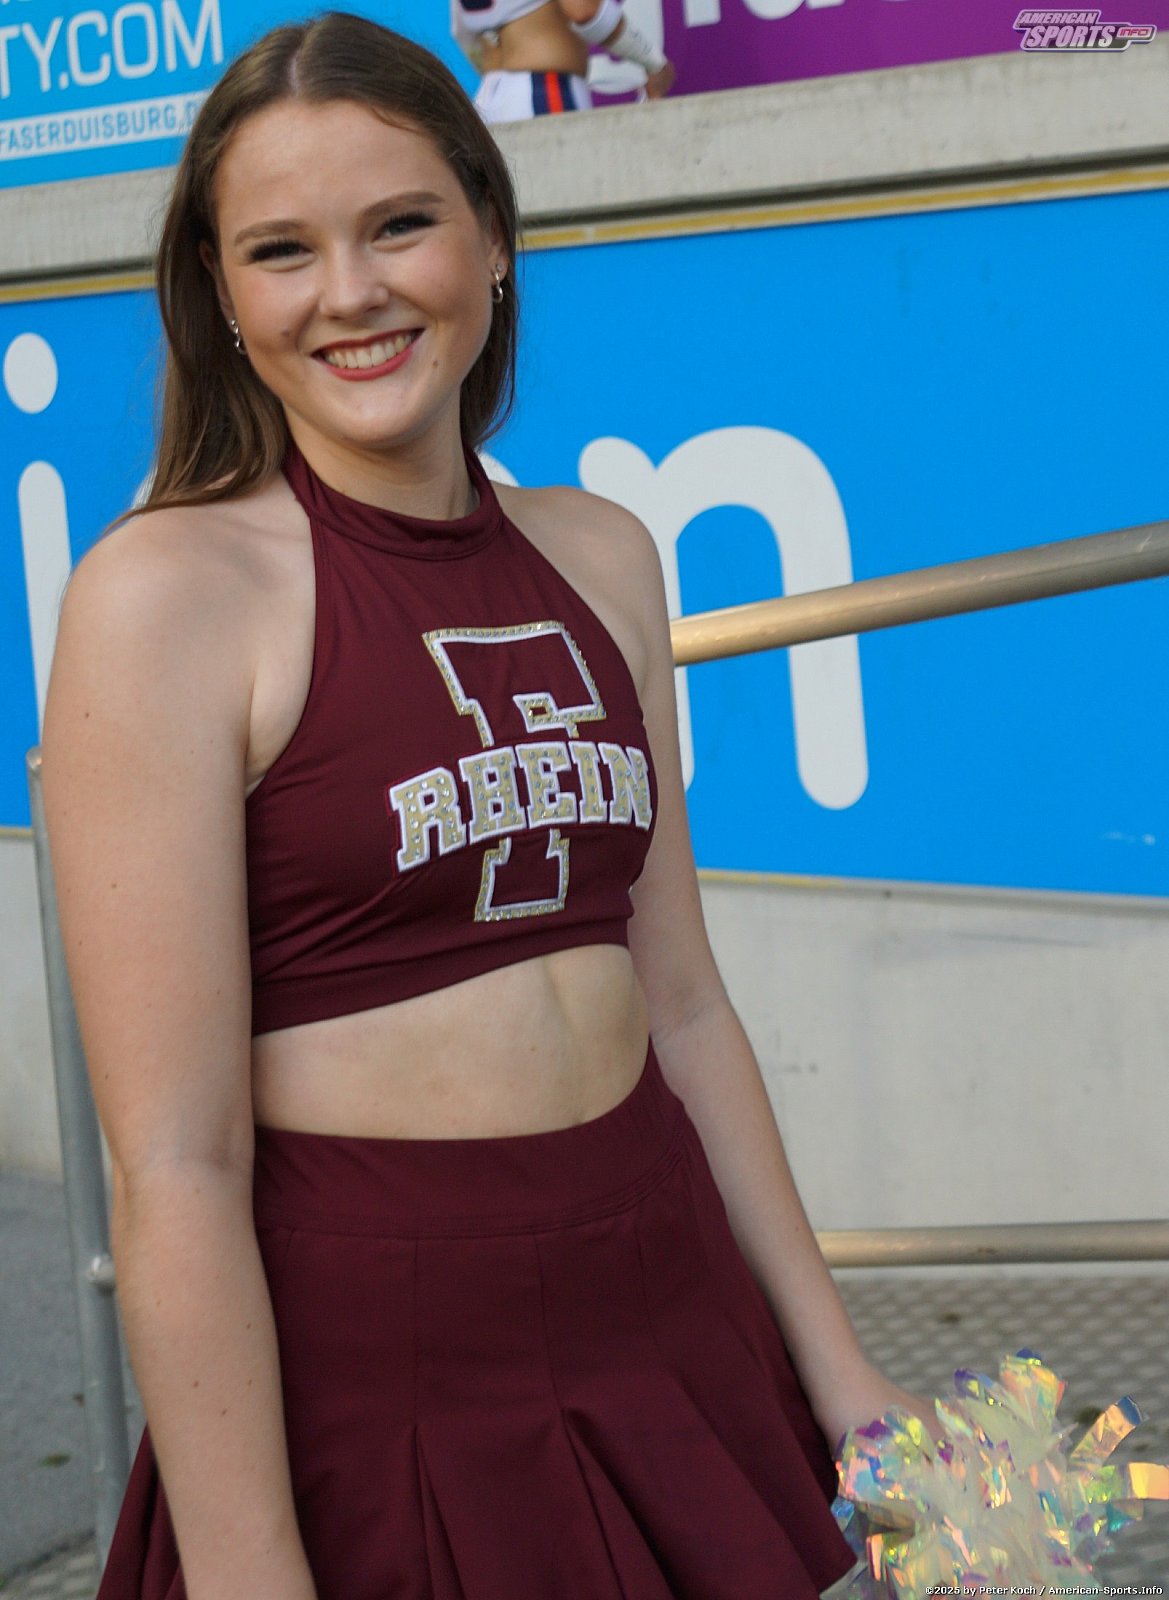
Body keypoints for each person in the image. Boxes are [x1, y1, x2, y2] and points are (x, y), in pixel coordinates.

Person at [41, 13, 929, 1599]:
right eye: (281, 250)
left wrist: (845, 1378)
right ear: (222, 296)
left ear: (492, 237)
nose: (350, 292)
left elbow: (687, 1009)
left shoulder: (605, 553)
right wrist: (249, 1571)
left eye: (399, 224)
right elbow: (174, 1161)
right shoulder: (163, 595)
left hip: (667, 1308)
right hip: (383, 1377)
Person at [452, 0, 676, 124]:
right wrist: (653, 62)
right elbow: (584, 10)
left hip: (489, 99)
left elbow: (463, 35)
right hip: (543, 91)